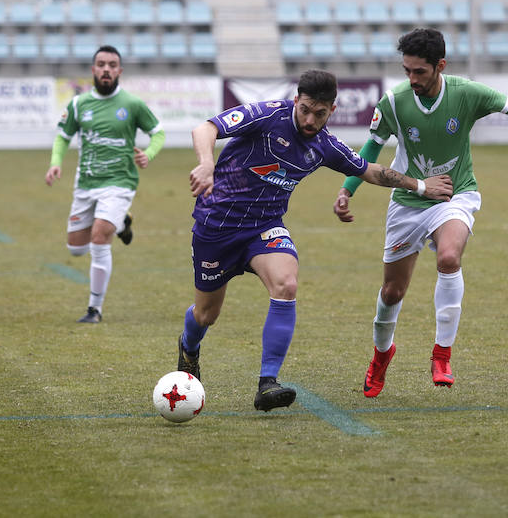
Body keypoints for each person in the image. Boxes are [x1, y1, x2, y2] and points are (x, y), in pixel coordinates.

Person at [333, 28, 508, 398]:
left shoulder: (467, 93)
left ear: (440, 66)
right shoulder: (395, 101)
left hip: (456, 194)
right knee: (393, 290)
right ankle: (381, 356)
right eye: (407, 71)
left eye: (419, 72)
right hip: (408, 201)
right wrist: (346, 190)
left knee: (449, 257)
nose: (412, 79)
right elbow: (371, 147)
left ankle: (442, 354)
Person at [178, 69, 452, 412]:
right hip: (215, 227)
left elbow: (367, 169)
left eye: (319, 113)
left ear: (332, 111)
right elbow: (206, 128)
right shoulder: (267, 116)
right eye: (305, 109)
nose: (310, 119)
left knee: (286, 284)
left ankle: (267, 384)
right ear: (296, 101)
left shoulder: (324, 145)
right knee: (206, 315)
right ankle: (189, 348)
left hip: (264, 228)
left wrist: (422, 186)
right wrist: (206, 163)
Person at [44, 45, 164, 323]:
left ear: (119, 71)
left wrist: (149, 153)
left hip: (120, 181)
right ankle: (121, 223)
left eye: (112, 64)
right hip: (86, 183)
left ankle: (94, 309)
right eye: (101, 64)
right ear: (93, 69)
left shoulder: (133, 104)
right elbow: (63, 136)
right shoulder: (78, 104)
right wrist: (55, 162)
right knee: (76, 248)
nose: (106, 69)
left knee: (100, 237)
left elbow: (158, 133)